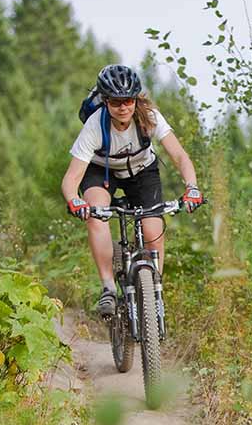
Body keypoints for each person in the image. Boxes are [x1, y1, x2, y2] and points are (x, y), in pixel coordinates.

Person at [60, 64, 204, 317]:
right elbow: (72, 176)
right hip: (101, 171)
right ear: (106, 102)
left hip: (142, 172)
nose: (123, 107)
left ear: (136, 98)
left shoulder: (150, 117)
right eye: (116, 102)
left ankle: (154, 290)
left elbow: (180, 156)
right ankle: (107, 288)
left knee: (152, 230)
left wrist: (192, 188)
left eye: (128, 100)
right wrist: (74, 199)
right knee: (97, 215)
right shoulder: (95, 126)